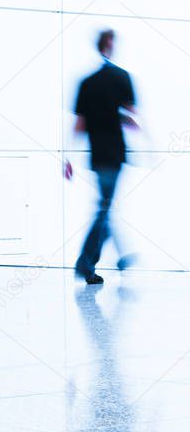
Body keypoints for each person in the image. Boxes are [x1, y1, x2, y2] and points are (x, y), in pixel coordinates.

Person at [64, 29, 137, 285]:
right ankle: (86, 262)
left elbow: (80, 124)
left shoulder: (87, 83)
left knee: (105, 207)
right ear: (111, 44)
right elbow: (130, 113)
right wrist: (123, 118)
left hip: (97, 154)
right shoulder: (122, 77)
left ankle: (117, 257)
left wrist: (68, 157)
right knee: (104, 209)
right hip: (115, 153)